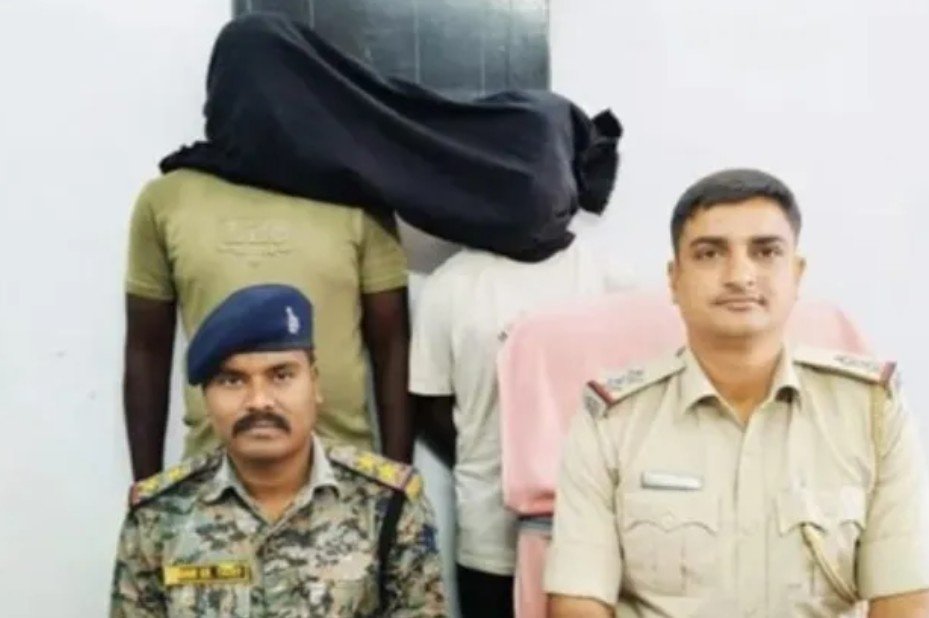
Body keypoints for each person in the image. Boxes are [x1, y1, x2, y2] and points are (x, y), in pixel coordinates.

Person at [544, 169, 929, 617]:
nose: (740, 275)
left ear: (796, 274)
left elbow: (905, 598)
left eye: (766, 252)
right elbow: (578, 602)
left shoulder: (872, 411)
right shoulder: (612, 420)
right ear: (674, 279)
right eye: (710, 254)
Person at [111, 284, 445, 617]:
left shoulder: (386, 505)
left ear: (315, 384)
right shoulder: (158, 515)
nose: (259, 401)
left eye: (281, 376)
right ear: (206, 399)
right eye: (232, 381)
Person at [122, 167, 412, 480]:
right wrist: (146, 491)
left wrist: (397, 482)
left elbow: (393, 345)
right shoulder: (168, 199)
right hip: (213, 479)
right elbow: (146, 348)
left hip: (347, 480)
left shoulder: (356, 193)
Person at [410, 233, 632, 617]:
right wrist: (512, 467)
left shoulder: (603, 272)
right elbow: (429, 405)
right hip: (489, 533)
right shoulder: (450, 285)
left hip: (596, 538)